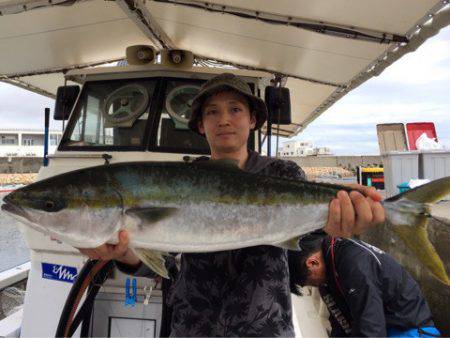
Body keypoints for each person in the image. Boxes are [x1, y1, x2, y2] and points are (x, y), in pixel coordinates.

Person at [79, 73, 385, 336]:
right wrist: (127, 255)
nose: (223, 119)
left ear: (252, 119)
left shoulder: (281, 174)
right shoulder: (187, 178)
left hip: (263, 326)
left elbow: (302, 247)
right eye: (212, 112)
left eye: (235, 109)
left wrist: (337, 226)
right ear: (201, 125)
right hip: (193, 326)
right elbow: (165, 266)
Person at [288, 232, 441, 337]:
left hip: (409, 330)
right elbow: (340, 325)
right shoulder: (329, 274)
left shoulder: (353, 262)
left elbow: (371, 327)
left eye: (309, 283)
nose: (315, 286)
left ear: (312, 263)